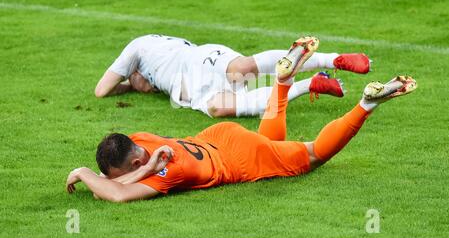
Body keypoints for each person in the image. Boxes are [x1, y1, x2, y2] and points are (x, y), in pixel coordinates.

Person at [67, 48, 416, 202]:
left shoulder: (166, 173)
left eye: (119, 173)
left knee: (311, 156)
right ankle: (282, 83)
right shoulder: (139, 140)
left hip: (235, 161)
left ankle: (366, 104)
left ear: (135, 161)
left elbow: (117, 194)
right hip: (220, 137)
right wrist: (136, 171)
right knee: (272, 145)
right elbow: (122, 181)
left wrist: (85, 172)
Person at [94, 34, 371, 117]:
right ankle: (318, 75)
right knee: (229, 92)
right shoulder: (157, 47)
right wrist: (138, 82)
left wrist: (131, 83)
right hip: (200, 65)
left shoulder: (136, 47)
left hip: (192, 70)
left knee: (240, 75)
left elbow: (101, 90)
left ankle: (326, 64)